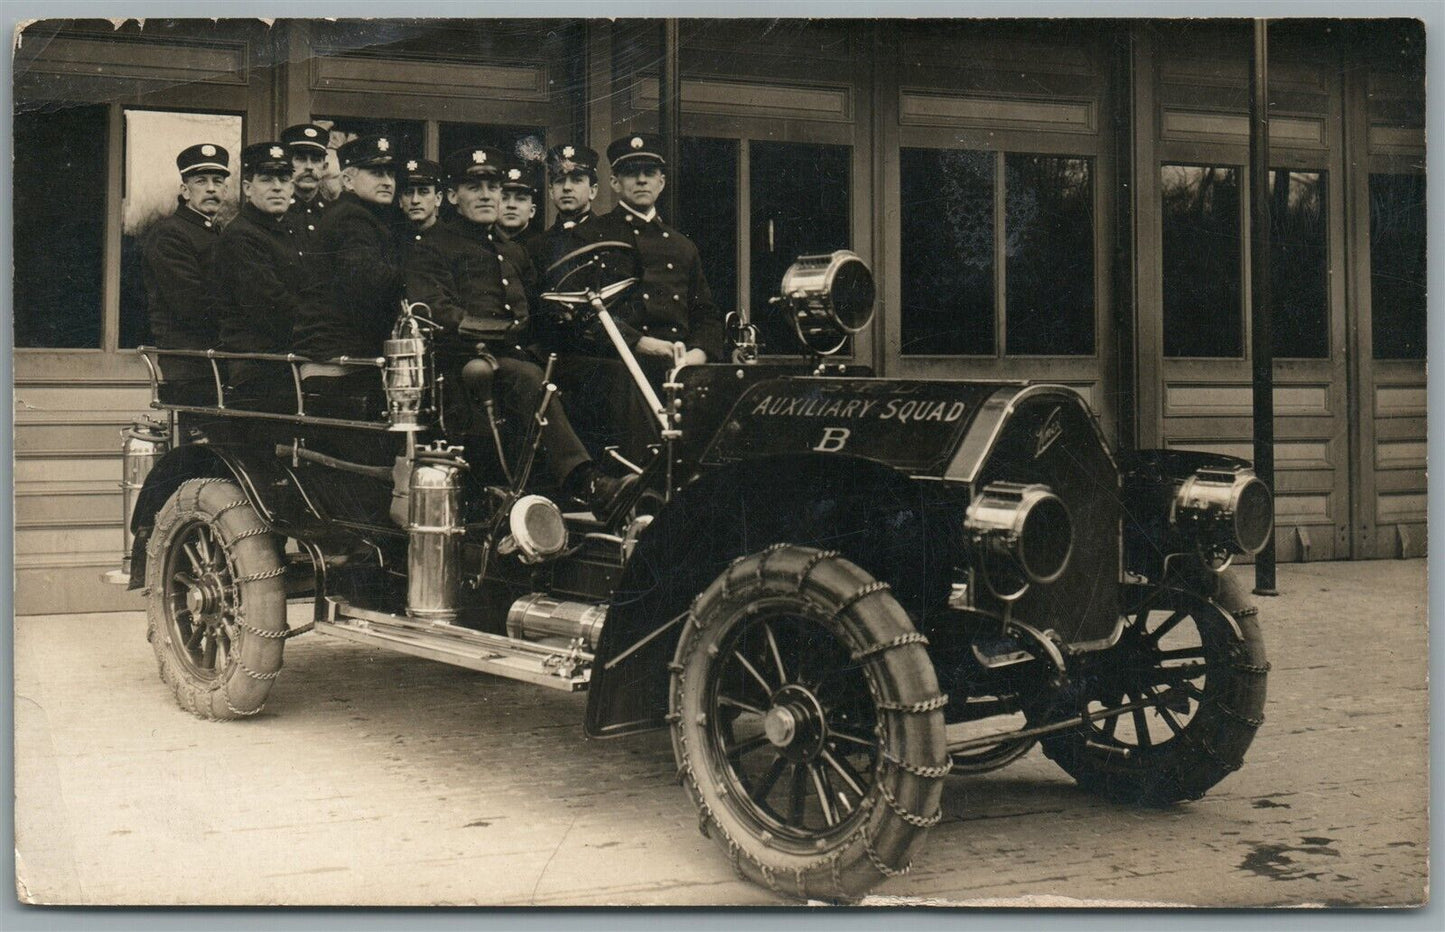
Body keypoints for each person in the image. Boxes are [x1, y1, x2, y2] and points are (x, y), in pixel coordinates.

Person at [404, 146, 632, 521]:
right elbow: (437, 312)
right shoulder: (431, 247)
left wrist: (569, 316)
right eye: (474, 187)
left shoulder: (510, 250)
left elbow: (537, 310)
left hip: (514, 358)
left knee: (605, 371)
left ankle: (631, 473)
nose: (486, 196)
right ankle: (586, 482)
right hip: (463, 365)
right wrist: (504, 332)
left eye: (492, 187)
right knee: (527, 376)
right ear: (452, 196)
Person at [594, 133, 724, 380]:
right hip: (621, 368)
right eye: (632, 173)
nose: (642, 180)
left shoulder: (682, 246)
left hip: (682, 368)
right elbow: (587, 316)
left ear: (661, 182)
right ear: (614, 182)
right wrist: (640, 342)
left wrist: (697, 354)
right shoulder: (594, 237)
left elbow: (706, 315)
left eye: (650, 173)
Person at [293, 134, 404, 394]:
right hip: (340, 363)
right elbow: (367, 283)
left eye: (390, 174)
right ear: (347, 180)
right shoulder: (353, 219)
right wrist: (413, 278)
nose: (388, 182)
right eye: (376, 173)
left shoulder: (357, 215)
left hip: (341, 356)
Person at [216, 142, 316, 397]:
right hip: (258, 369)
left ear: (291, 187)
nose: (277, 187)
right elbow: (271, 306)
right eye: (266, 179)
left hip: (294, 360)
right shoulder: (240, 236)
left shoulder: (296, 229)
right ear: (247, 188)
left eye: (284, 179)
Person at [141, 142, 230, 400]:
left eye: (218, 181)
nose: (211, 188)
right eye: (201, 181)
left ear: (225, 190)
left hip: (219, 360)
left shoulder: (218, 233)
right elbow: (191, 304)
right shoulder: (169, 234)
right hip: (191, 364)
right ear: (185, 190)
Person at [281, 123, 330, 260]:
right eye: (301, 159)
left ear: (324, 167)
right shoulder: (276, 213)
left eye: (316, 160)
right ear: (287, 164)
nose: (309, 167)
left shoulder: (333, 214)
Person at [397, 158, 445, 253]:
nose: (415, 200)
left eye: (423, 192)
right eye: (408, 192)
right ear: (400, 200)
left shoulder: (452, 240)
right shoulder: (393, 241)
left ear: (438, 198)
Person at [495, 156, 539, 243]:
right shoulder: (480, 245)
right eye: (504, 198)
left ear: (532, 211)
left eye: (520, 199)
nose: (511, 205)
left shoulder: (543, 246)